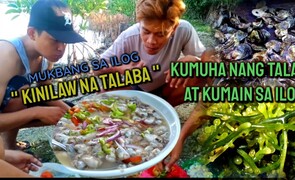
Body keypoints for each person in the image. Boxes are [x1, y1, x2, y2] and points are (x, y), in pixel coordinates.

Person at [0, 0, 86, 149]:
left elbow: (45, 93)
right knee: (19, 87)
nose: (61, 48)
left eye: (65, 41)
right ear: (32, 33)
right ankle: (8, 148)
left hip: (9, 107)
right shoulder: (6, 56)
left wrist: (75, 114)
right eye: (55, 40)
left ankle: (10, 145)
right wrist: (36, 112)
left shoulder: (45, 55)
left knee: (69, 109)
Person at [95, 0, 207, 106]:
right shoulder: (128, 37)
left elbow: (209, 61)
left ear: (174, 28)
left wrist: (194, 60)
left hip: (167, 87)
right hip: (136, 88)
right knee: (105, 91)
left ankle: (163, 107)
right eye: (146, 31)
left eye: (161, 34)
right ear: (139, 23)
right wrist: (120, 68)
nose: (151, 41)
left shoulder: (184, 30)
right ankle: (146, 106)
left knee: (200, 73)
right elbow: (97, 68)